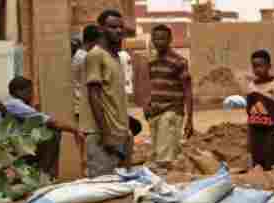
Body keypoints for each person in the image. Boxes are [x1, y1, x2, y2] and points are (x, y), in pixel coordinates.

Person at [0, 76, 86, 177]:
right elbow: (52, 122)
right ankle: (45, 176)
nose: (32, 96)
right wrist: (75, 130)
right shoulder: (15, 104)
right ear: (19, 92)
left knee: (36, 132)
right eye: (30, 92)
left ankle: (32, 173)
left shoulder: (6, 104)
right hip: (5, 151)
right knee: (52, 132)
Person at [81, 10, 133, 178]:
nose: (118, 31)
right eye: (112, 27)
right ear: (101, 29)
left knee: (120, 185)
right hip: (102, 135)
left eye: (120, 27)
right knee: (102, 184)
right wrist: (105, 133)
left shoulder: (115, 57)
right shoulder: (95, 55)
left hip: (118, 133)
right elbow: (94, 96)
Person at [144, 24, 194, 172]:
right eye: (156, 38)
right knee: (157, 154)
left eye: (163, 38)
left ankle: (169, 187)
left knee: (164, 159)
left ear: (170, 39)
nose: (159, 42)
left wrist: (190, 120)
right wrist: (148, 104)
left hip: (171, 112)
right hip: (155, 113)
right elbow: (153, 86)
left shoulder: (179, 61)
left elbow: (188, 91)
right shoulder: (151, 62)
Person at [245, 50, 274, 171]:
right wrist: (249, 138)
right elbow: (249, 114)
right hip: (256, 133)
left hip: (271, 133)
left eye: (261, 65)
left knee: (273, 167)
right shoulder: (251, 87)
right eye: (254, 66)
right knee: (258, 167)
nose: (257, 69)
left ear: (269, 66)